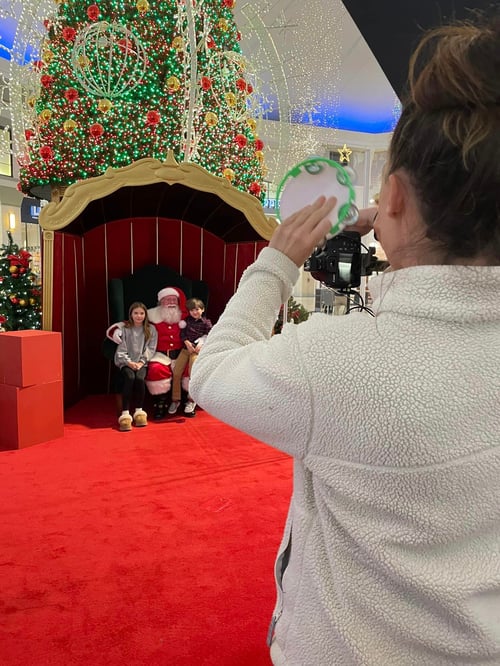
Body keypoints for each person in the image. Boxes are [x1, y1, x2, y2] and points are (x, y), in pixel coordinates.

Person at [190, 16, 500, 665]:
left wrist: (276, 261)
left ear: (390, 195)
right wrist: (398, 231)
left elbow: (211, 369)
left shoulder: (336, 360)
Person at [107, 286, 188, 419]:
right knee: (156, 370)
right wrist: (117, 329)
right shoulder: (151, 314)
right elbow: (132, 322)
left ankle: (187, 402)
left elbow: (199, 325)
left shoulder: (185, 315)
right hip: (160, 355)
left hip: (181, 354)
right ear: (161, 302)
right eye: (167, 300)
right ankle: (160, 404)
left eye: (174, 299)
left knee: (190, 369)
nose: (171, 303)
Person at [114, 302, 157, 431]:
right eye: (136, 313)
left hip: (141, 363)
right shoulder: (125, 329)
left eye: (142, 313)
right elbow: (121, 350)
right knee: (130, 377)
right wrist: (129, 362)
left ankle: (139, 411)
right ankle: (125, 413)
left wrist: (141, 362)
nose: (139, 316)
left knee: (139, 379)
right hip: (126, 362)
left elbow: (151, 349)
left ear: (145, 315)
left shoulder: (151, 329)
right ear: (131, 314)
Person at [168, 298, 212, 416]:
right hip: (185, 350)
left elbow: (210, 335)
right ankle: (175, 400)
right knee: (176, 372)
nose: (194, 312)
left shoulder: (206, 323)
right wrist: (186, 342)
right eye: (192, 310)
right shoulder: (186, 321)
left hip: (197, 352)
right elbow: (182, 334)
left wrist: (201, 344)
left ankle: (191, 400)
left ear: (202, 310)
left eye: (197, 309)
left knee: (193, 373)